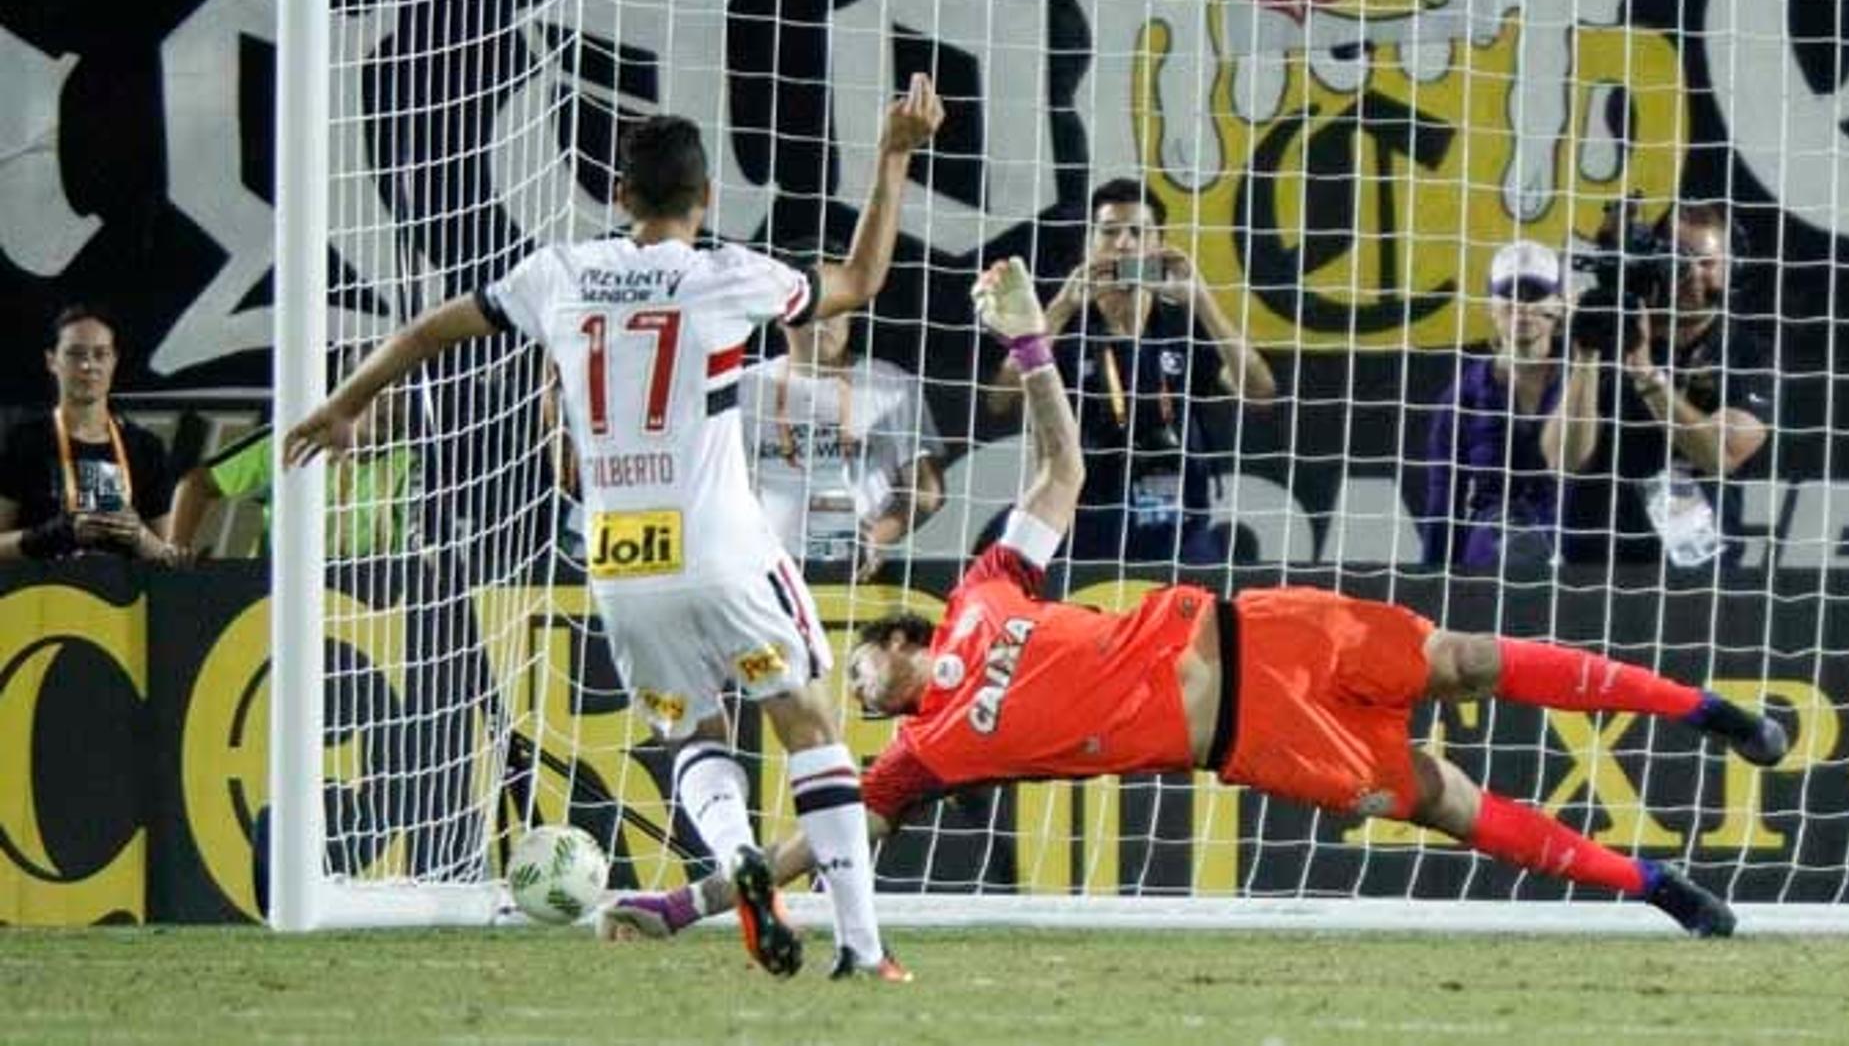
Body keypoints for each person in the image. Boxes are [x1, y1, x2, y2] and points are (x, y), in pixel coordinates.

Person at [603, 256, 1788, 954]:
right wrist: (692, 898)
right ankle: (1660, 890)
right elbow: (828, 839)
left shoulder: (983, 589)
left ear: (901, 640)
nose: (852, 694)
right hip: (1256, 738)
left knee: (1470, 658)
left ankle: (1707, 708)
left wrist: (1029, 343)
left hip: (1260, 624)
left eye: (857, 670)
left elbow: (1058, 471)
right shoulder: (919, 762)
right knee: (1452, 803)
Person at [286, 76, 945, 981]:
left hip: (620, 552)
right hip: (720, 541)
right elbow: (862, 282)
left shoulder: (558, 273)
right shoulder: (726, 274)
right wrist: (895, 153)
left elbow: (431, 331)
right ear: (706, 197)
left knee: (691, 732)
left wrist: (346, 403)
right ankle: (864, 948)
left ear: (621, 195)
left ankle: (735, 855)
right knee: (806, 721)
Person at [987, 177, 1275, 565]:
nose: (1123, 243)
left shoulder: (1180, 324)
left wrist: (1203, 301)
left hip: (1176, 527)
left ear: (1159, 245)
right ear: (1089, 244)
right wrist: (1059, 309)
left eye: (1138, 232)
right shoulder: (1064, 325)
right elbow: (999, 399)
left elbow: (1259, 390)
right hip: (1079, 524)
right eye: (1109, 232)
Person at [1557, 201, 1773, 566]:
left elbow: (1720, 455)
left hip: (1696, 566)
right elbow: (1565, 458)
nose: (1691, 275)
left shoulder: (1747, 352)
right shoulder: (1603, 332)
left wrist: (1646, 373)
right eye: (1676, 259)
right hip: (1596, 552)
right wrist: (1588, 354)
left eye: (1705, 263)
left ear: (1732, 268)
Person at [739, 244, 944, 581]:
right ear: (779, 314)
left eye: (834, 308)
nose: (822, 323)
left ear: (854, 309)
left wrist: (879, 535)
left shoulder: (889, 382)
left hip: (866, 573)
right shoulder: (747, 387)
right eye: (811, 309)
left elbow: (927, 489)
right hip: (768, 572)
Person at [1421, 240, 1593, 568]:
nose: (1521, 307)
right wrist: (1431, 585)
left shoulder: (1584, 382)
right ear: (1490, 305)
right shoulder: (1463, 396)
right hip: (1489, 553)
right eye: (1509, 294)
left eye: (1534, 294)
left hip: (1571, 550)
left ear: (1559, 305)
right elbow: (1443, 503)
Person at [169, 348, 417, 557]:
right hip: (276, 596)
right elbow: (197, 483)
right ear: (348, 394)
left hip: (367, 604)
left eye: (402, 393)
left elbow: (419, 540)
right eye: (380, 391)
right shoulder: (290, 441)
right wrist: (176, 552)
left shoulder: (412, 461)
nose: (392, 403)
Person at [0, 304, 179, 564]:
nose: (88, 365)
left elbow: (168, 559)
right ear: (52, 361)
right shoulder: (22, 440)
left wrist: (138, 535)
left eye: (100, 354)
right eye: (75, 354)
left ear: (114, 360)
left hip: (121, 602)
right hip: (40, 599)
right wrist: (54, 535)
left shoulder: (144, 447)